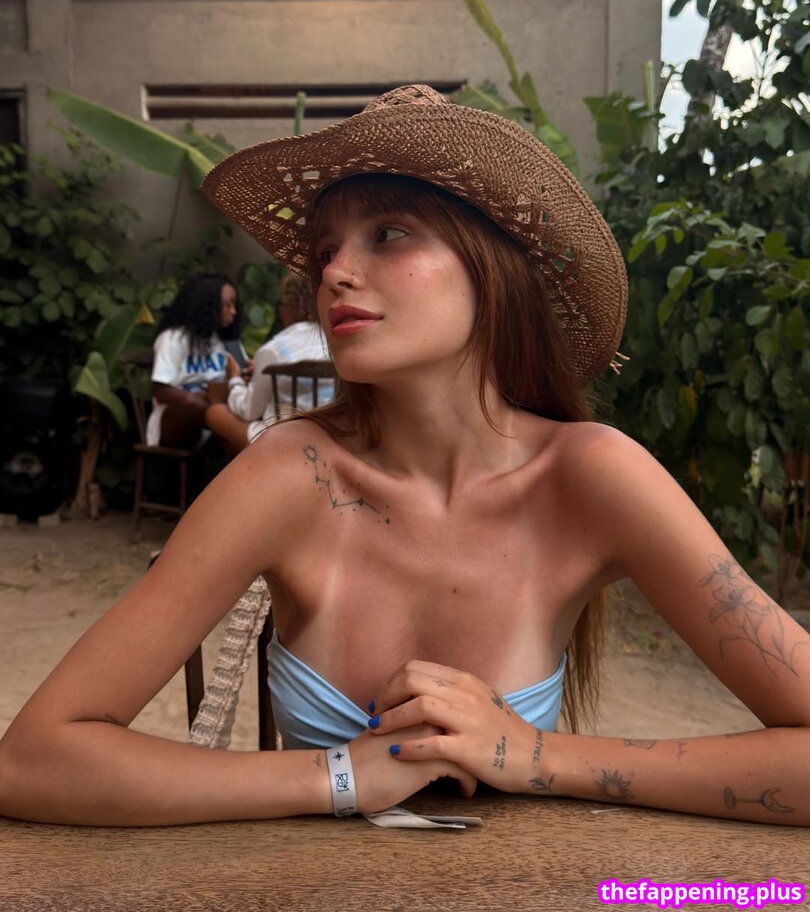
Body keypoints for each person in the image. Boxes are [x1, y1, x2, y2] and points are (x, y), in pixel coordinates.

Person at [0, 84, 808, 828]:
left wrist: (534, 755)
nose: (335, 274)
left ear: (492, 266)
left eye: (389, 234)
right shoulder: (291, 475)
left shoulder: (591, 477)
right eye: (325, 252)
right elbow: (33, 759)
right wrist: (338, 775)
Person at [205, 271, 334, 453]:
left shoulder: (273, 350)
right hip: (329, 435)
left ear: (288, 308)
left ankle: (258, 466)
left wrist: (235, 379)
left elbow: (249, 410)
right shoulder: (336, 343)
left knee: (215, 412)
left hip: (283, 440)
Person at [146, 273, 241, 449]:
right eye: (227, 305)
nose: (233, 312)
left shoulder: (227, 343)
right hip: (176, 424)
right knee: (190, 403)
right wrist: (202, 398)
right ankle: (240, 436)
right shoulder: (173, 339)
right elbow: (160, 391)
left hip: (216, 420)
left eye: (234, 305)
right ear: (208, 307)